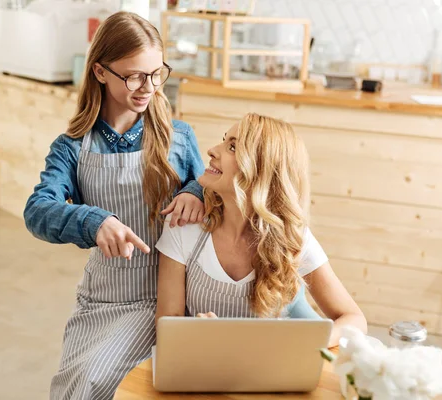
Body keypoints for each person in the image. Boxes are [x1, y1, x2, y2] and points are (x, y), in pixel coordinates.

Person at [23, 12, 205, 400]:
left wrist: (195, 192)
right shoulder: (72, 146)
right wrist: (92, 220)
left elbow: (212, 190)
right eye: (134, 75)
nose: (149, 87)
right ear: (101, 72)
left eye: (157, 74)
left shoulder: (179, 137)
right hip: (103, 296)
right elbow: (37, 210)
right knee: (76, 386)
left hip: (166, 296)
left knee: (105, 383)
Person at [155, 113, 367, 347]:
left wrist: (308, 341)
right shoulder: (186, 224)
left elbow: (354, 319)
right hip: (206, 366)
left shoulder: (292, 237)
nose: (213, 150)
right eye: (224, 140)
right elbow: (167, 325)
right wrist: (199, 334)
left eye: (232, 147)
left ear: (260, 171)